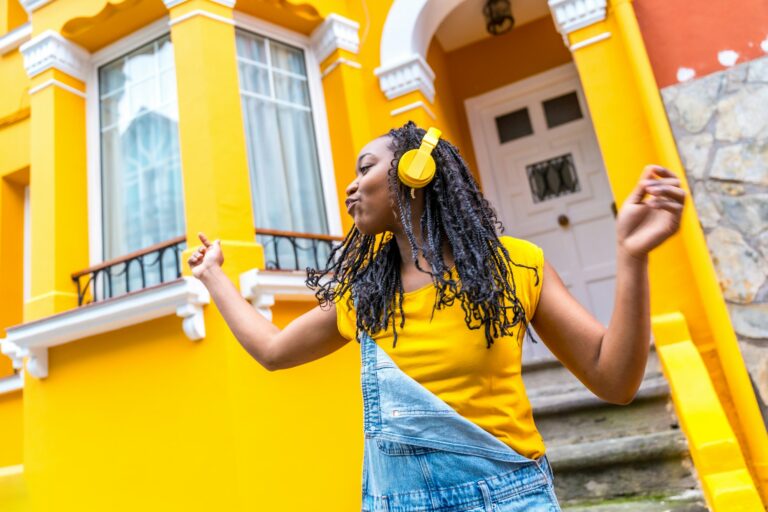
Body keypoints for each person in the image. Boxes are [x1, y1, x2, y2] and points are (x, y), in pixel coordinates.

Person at [188, 121, 686, 511]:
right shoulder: (364, 298)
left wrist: (631, 257)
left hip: (511, 501)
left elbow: (615, 381)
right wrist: (214, 277)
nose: (350, 187)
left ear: (414, 172)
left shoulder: (513, 266)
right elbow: (273, 351)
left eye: (365, 169)